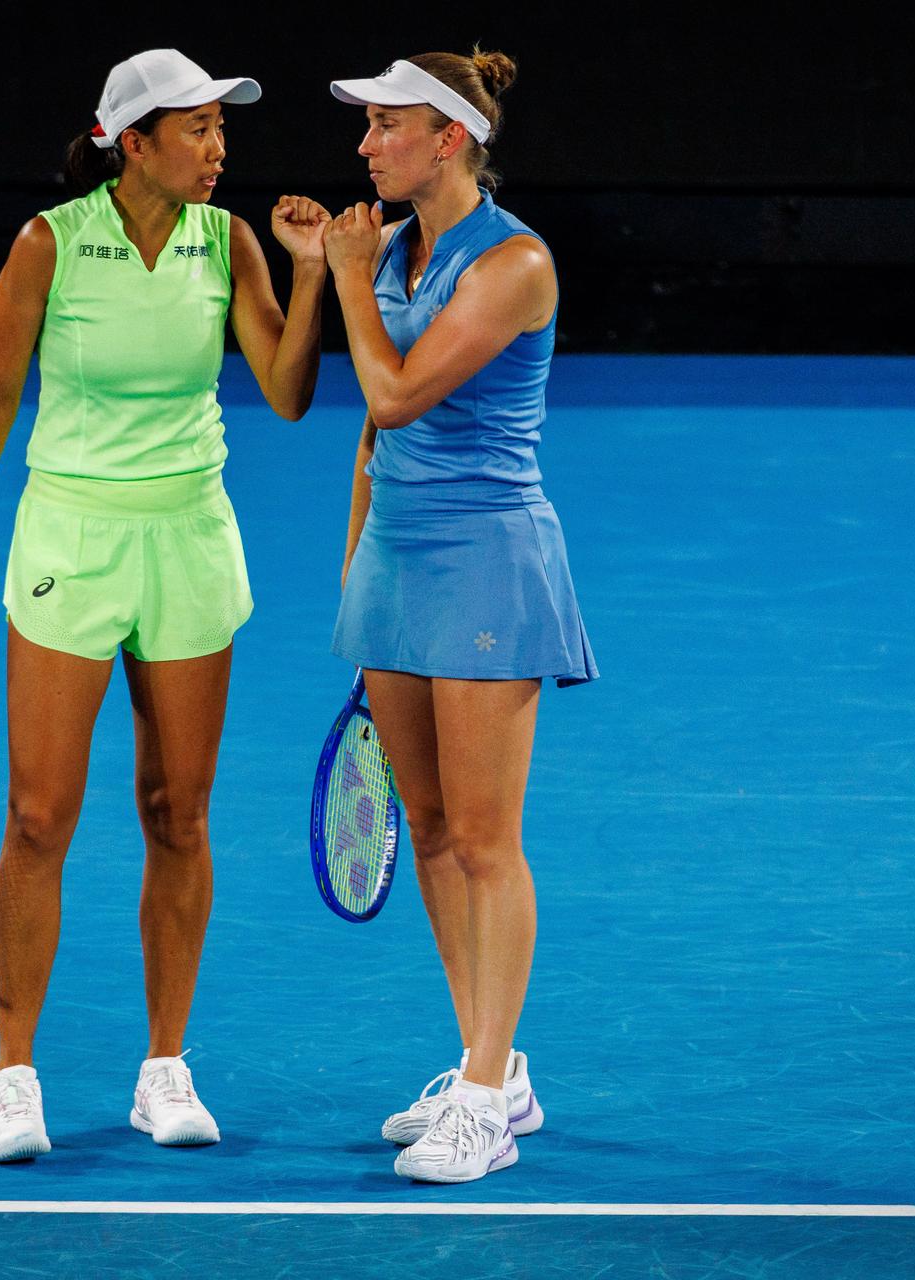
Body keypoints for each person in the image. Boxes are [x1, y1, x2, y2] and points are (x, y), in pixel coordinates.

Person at [0, 48, 330, 1163]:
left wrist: (313, 271)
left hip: (189, 539)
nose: (220, 148)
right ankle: (14, 1074)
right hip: (69, 544)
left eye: (223, 130)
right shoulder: (49, 244)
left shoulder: (230, 241)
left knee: (177, 812)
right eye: (197, 130)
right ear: (131, 141)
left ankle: (164, 1067)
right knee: (42, 815)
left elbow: (287, 395)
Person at [322, 48, 597, 1183]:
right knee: (427, 827)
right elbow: (373, 440)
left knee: (485, 839)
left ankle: (485, 1096)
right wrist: (354, 579)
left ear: (447, 139)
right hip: (394, 565)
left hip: (488, 562)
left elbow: (391, 389)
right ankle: (495, 1062)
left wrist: (339, 271)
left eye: (384, 127)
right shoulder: (394, 244)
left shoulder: (516, 261)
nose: (364, 145)